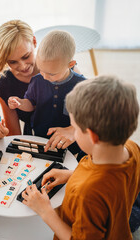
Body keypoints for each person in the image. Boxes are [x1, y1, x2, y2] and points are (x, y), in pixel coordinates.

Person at [21, 75, 140, 239]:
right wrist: (72, 175)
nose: (73, 134)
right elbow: (114, 181)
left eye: (75, 129)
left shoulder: (87, 194)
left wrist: (45, 211)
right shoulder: (131, 148)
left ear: (92, 136)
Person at [8, 30, 85, 154]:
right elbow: (31, 103)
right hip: (40, 138)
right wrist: (20, 103)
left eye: (51, 73)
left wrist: (74, 130)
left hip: (70, 142)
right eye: (42, 70)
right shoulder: (37, 80)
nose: (44, 76)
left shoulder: (81, 85)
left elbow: (88, 118)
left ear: (70, 64)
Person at [0, 19, 39, 136]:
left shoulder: (58, 62)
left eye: (26, 56)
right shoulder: (4, 84)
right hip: (35, 138)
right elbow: (14, 134)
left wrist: (72, 130)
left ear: (34, 41)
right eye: (12, 62)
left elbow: (88, 105)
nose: (23, 66)